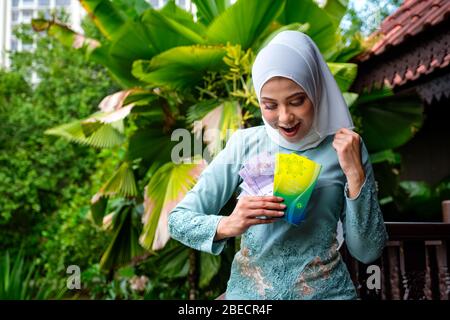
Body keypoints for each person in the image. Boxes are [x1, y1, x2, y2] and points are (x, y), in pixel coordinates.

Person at [168, 30, 388, 300]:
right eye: (270, 105)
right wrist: (229, 224)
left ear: (316, 91)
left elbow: (368, 251)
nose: (285, 118)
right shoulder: (244, 144)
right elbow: (177, 221)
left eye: (297, 101)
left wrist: (355, 175)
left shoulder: (346, 147)